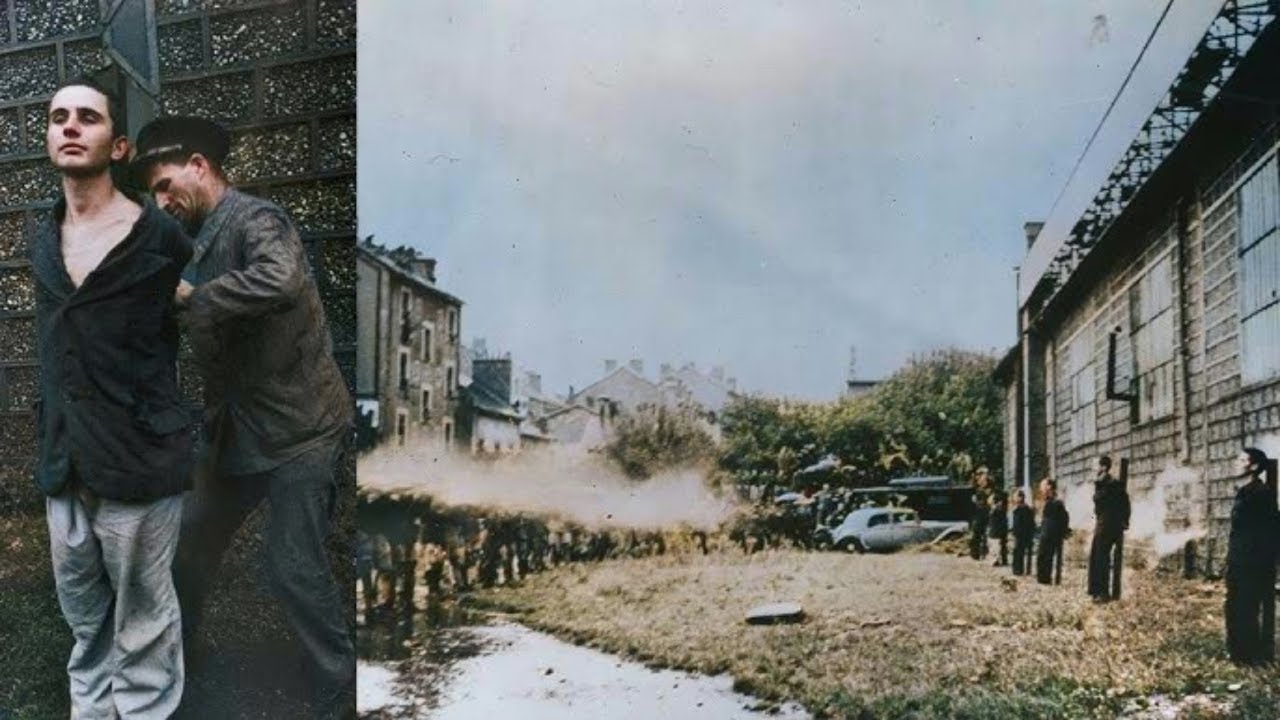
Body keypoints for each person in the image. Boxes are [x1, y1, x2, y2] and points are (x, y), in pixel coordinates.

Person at [132, 115, 356, 715]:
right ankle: (180, 669)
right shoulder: (193, 239)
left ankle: (340, 685)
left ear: (199, 166)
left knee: (293, 566)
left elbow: (281, 279)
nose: (161, 202)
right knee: (187, 544)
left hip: (302, 430)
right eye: (153, 194)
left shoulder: (258, 219)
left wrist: (195, 297)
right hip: (236, 430)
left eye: (165, 186)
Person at [33, 77, 194, 719]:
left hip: (139, 457)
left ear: (119, 146)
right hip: (66, 458)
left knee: (144, 623)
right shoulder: (42, 236)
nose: (70, 126)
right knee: (86, 622)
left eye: (88, 117)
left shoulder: (160, 237)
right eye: (59, 117)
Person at [1224, 448, 1280, 666]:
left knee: (1246, 607)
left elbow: (1270, 530)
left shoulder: (1261, 494)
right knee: (1234, 606)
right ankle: (1238, 654)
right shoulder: (1245, 492)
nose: (1235, 463)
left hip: (1252, 562)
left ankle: (1249, 657)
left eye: (1241, 460)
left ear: (1254, 466)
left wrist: (1259, 561)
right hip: (1239, 560)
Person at [1087, 455, 1130, 602]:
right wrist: (1125, 521)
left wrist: (1124, 522)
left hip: (1106, 525)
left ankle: (1102, 593)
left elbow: (1122, 503)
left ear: (1104, 467)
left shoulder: (1107, 484)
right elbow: (1125, 504)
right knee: (1099, 557)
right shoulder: (1110, 483)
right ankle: (1099, 592)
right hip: (1108, 524)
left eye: (1097, 466)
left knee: (1100, 558)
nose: (1095, 469)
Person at [1037, 479, 1070, 585]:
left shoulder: (1057, 502)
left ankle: (1046, 579)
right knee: (1042, 556)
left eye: (1043, 486)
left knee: (1047, 556)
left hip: (1052, 533)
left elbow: (1064, 517)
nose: (1041, 489)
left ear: (1049, 487)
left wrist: (1062, 531)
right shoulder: (1046, 501)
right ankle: (1043, 579)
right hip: (1046, 531)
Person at [1011, 489, 1036, 576]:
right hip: (1019, 533)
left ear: (1021, 497)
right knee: (1018, 552)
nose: (1015, 498)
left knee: (1020, 552)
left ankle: (1021, 570)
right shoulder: (1017, 508)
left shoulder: (1025, 509)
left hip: (1024, 534)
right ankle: (1018, 570)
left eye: (1016, 497)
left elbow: (1029, 522)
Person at [969, 467, 991, 560]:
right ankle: (975, 553)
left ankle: (984, 553)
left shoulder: (988, 488)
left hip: (985, 512)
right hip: (978, 513)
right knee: (976, 534)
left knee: (985, 534)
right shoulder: (975, 487)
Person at [988, 490, 1009, 567]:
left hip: (997, 528)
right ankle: (1000, 560)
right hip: (997, 528)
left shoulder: (998, 509)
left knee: (998, 545)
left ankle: (999, 560)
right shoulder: (996, 509)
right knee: (998, 545)